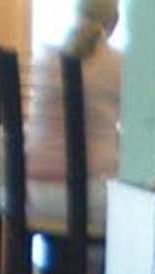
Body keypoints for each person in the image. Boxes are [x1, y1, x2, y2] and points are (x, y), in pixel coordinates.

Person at [26, 2, 122, 214]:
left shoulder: (45, 56)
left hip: (31, 192)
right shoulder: (118, 63)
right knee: (136, 206)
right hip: (86, 195)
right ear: (114, 22)